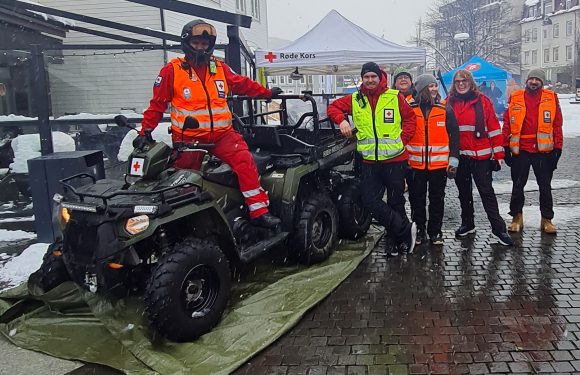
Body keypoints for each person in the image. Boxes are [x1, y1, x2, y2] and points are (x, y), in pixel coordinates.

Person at [139, 19, 282, 228]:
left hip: (222, 135)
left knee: (245, 162)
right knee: (183, 180)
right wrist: (145, 131)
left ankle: (259, 211)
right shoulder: (172, 70)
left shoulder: (219, 67)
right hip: (189, 139)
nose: (201, 47)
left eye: (205, 44)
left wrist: (267, 93)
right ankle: (184, 222)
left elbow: (242, 84)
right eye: (197, 42)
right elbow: (157, 105)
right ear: (187, 42)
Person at [328, 62, 418, 256]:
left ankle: (394, 241)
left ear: (380, 77)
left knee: (396, 201)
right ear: (362, 78)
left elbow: (411, 119)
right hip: (369, 161)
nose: (369, 80)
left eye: (373, 77)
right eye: (366, 77)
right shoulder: (356, 99)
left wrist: (402, 140)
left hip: (395, 159)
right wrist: (342, 120)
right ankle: (405, 230)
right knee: (369, 201)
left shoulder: (394, 97)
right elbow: (333, 107)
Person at [447, 69, 513, 246]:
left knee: (486, 193)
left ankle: (499, 229)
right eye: (458, 81)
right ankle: (468, 223)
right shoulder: (449, 102)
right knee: (464, 193)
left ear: (471, 82)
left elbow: (493, 128)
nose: (461, 84)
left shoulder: (483, 102)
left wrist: (498, 154)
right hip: (459, 157)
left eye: (464, 80)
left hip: (481, 157)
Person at [502, 69, 563, 234]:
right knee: (518, 185)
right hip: (521, 150)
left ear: (542, 83)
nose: (534, 82)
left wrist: (558, 148)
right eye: (531, 79)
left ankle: (547, 219)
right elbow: (507, 122)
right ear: (526, 81)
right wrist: (504, 145)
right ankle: (516, 217)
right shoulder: (515, 97)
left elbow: (557, 124)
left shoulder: (551, 98)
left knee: (544, 186)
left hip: (543, 151)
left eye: (537, 79)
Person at [406, 74, 460, 246]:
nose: (434, 89)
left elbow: (454, 136)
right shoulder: (409, 108)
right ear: (422, 89)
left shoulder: (445, 108)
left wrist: (454, 160)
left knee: (437, 199)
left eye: (435, 86)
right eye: (430, 86)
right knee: (416, 199)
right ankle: (420, 229)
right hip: (415, 165)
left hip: (439, 166)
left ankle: (435, 231)